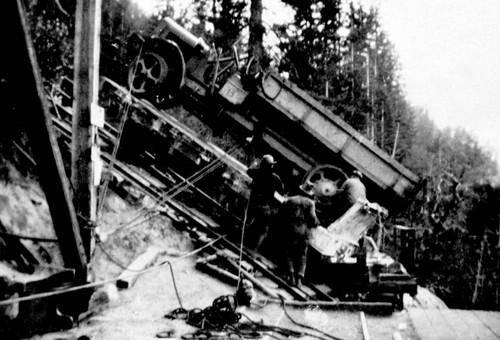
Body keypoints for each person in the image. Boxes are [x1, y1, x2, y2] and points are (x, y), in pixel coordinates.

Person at [279, 194, 320, 287]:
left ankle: (291, 276)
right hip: (303, 233)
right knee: (302, 256)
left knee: (289, 253)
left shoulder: (290, 200)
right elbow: (313, 218)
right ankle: (299, 280)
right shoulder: (310, 203)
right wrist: (317, 223)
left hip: (291, 230)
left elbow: (283, 213)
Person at [246, 154, 283, 252]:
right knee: (262, 228)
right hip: (265, 206)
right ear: (271, 165)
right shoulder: (276, 178)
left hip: (254, 202)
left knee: (248, 221)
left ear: (262, 164)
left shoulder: (257, 172)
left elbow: (248, 171)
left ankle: (244, 240)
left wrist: (255, 164)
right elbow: (281, 191)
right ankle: (253, 249)